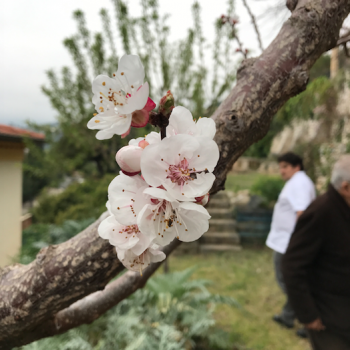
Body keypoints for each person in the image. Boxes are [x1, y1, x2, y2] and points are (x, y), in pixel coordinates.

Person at [282, 155, 350, 350]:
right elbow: (291, 266)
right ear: (346, 188)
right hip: (330, 320)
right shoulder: (321, 212)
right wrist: (308, 315)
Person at [265, 152, 316, 336]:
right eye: (281, 167)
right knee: (290, 282)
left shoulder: (299, 183)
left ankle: (311, 319)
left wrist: (297, 243)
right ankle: (288, 316)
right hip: (286, 241)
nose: (282, 171)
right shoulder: (298, 182)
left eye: (285, 166)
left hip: (289, 244)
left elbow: (302, 213)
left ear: (297, 167)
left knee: (289, 282)